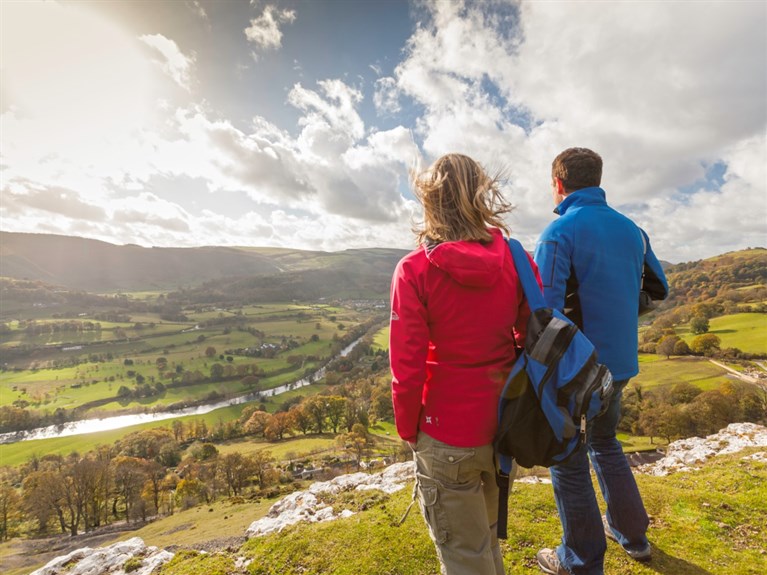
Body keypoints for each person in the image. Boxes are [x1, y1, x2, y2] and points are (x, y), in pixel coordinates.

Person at [389, 153, 538, 575]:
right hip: (504, 424)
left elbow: (407, 367)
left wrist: (408, 429)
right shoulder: (516, 257)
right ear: (481, 194)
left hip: (444, 433)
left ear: (430, 199)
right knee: (486, 539)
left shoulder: (414, 270)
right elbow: (532, 337)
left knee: (463, 555)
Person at [532, 147, 668, 575]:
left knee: (567, 457)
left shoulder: (559, 233)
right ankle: (634, 538)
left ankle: (580, 560)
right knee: (606, 443)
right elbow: (659, 288)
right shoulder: (633, 230)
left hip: (577, 368)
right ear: (598, 178)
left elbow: (544, 311)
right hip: (622, 363)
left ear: (558, 183)